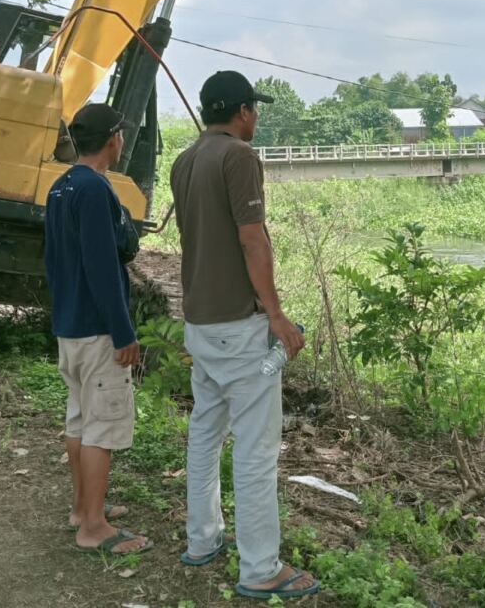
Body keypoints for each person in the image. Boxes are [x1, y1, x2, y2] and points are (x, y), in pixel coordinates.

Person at [169, 70, 320, 601]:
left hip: (200, 327)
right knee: (256, 450)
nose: (256, 117)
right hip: (239, 330)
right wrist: (276, 316)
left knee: (206, 433)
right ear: (240, 112)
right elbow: (251, 239)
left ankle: (202, 541)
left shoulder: (184, 161)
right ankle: (260, 569)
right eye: (254, 109)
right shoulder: (239, 158)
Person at [44, 102, 151, 555]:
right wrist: (123, 332)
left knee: (79, 420)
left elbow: (56, 260)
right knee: (101, 429)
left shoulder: (61, 186)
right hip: (96, 332)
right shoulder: (94, 189)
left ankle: (81, 507)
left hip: (70, 326)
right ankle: (93, 527)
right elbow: (105, 266)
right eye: (121, 135)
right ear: (113, 140)